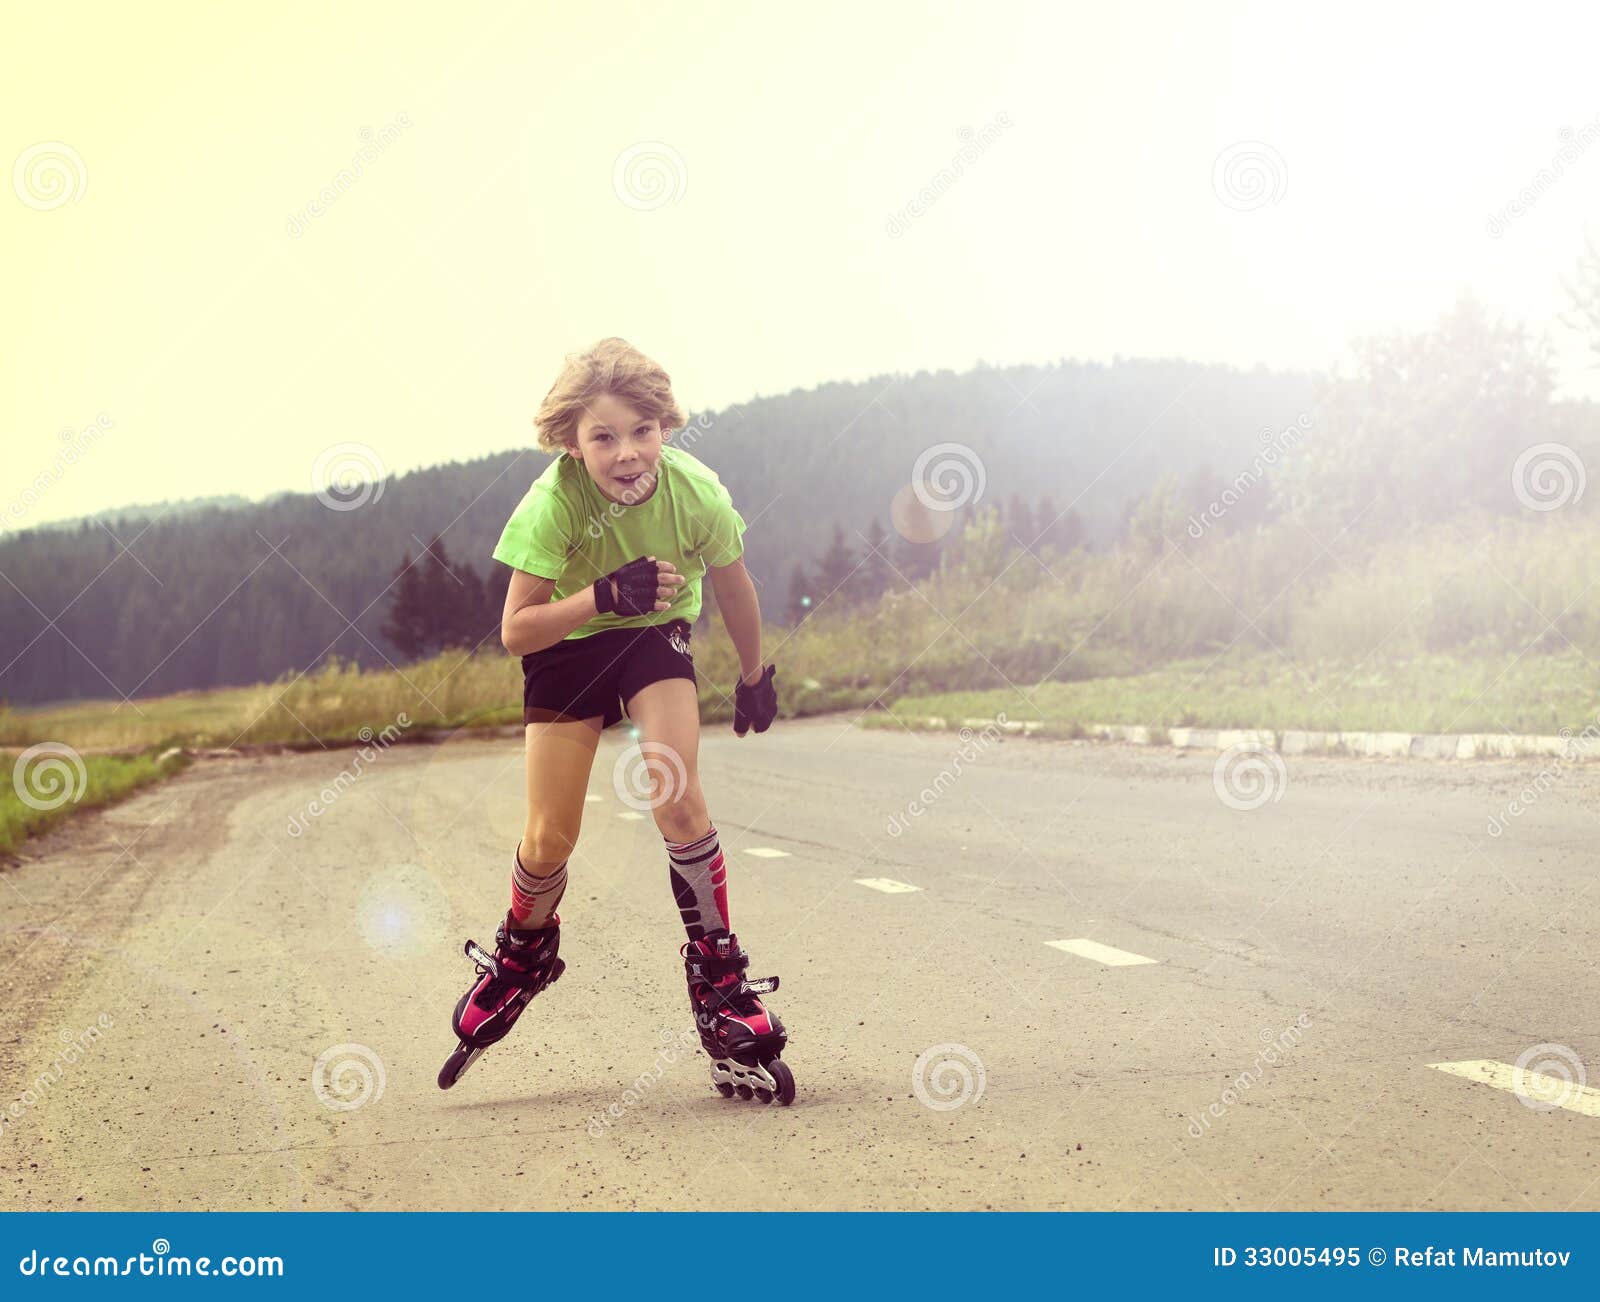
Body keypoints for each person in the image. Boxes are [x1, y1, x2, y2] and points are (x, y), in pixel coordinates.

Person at [440, 337, 793, 1104]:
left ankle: (721, 979)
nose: (627, 454)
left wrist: (755, 676)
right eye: (603, 437)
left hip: (652, 637)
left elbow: (734, 587)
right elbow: (517, 631)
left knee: (676, 792)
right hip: (565, 643)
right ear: (574, 443)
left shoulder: (696, 495)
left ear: (666, 427)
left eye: (642, 432)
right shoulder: (554, 504)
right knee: (549, 837)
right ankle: (522, 954)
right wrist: (600, 596)